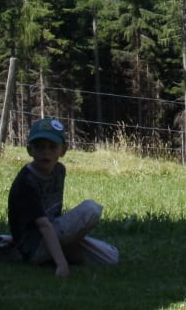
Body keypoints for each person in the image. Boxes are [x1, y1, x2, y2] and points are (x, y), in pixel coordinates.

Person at [7, 117, 118, 275]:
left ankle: (62, 251)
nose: (46, 152)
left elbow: (53, 214)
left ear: (63, 150)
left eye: (52, 147)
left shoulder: (59, 171)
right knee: (91, 209)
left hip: (53, 232)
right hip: (33, 247)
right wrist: (61, 263)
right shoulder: (26, 181)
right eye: (39, 147)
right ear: (30, 150)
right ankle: (59, 255)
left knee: (111, 256)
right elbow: (43, 225)